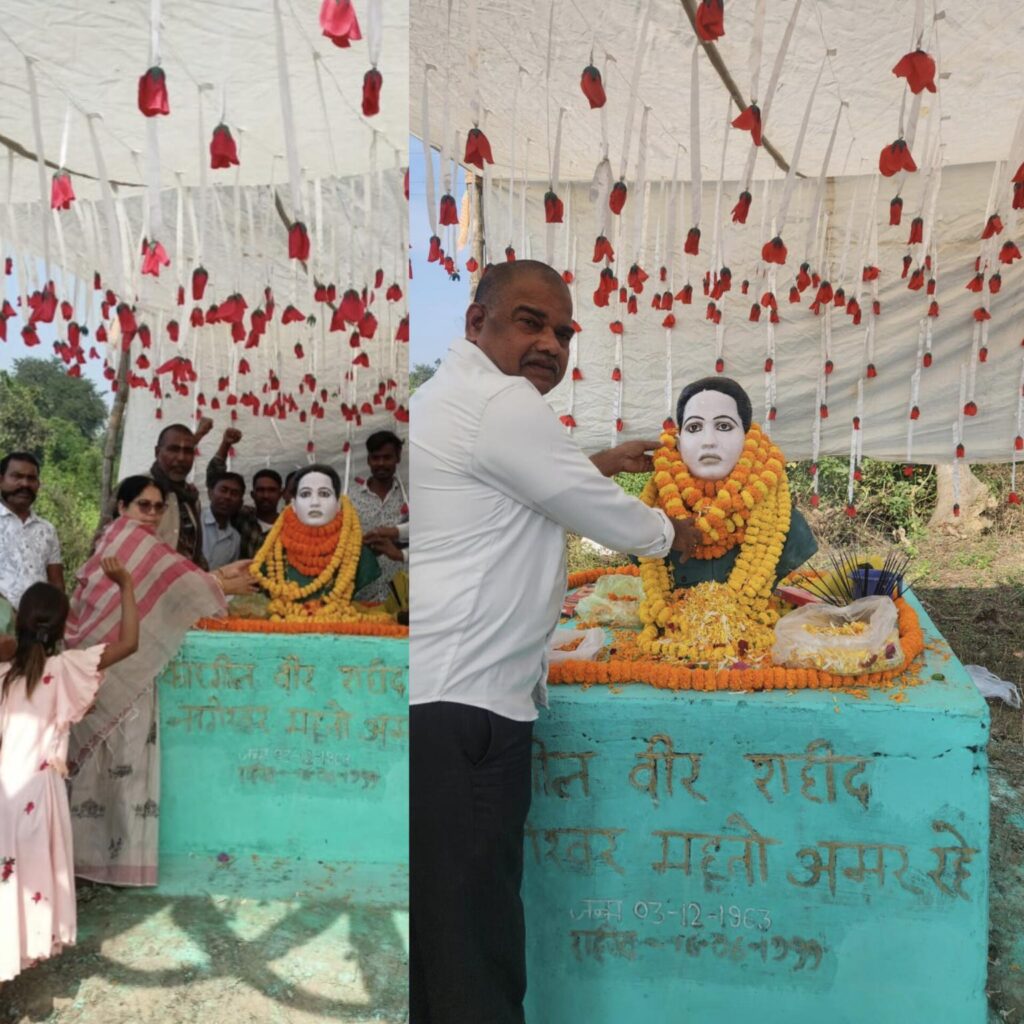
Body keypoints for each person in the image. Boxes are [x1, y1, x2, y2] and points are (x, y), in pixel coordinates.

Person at [409, 259, 700, 1024]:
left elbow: (532, 488)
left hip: (445, 698)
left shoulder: (453, 397)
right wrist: (679, 534)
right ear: (477, 324)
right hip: (467, 710)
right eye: (530, 322)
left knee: (448, 934)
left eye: (563, 331)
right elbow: (602, 514)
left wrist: (601, 462)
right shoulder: (501, 399)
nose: (550, 342)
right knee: (474, 944)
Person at [66, 476, 253, 887]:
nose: (150, 514)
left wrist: (217, 578)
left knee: (126, 765)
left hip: (132, 671)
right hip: (108, 668)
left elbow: (171, 585)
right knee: (104, 766)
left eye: (157, 507)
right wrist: (220, 582)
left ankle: (114, 864)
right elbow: (176, 584)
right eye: (142, 506)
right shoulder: (123, 542)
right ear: (122, 507)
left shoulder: (143, 545)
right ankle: (85, 862)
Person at [0, 557, 139, 983]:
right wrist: (126, 585)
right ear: (62, 629)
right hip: (40, 794)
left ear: (17, 623)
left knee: (7, 880)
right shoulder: (66, 670)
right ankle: (19, 955)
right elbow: (129, 642)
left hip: (5, 792)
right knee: (30, 875)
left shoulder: (4, 676)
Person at [662, 376, 816, 588]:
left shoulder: (789, 525)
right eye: (694, 427)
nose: (709, 441)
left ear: (748, 438)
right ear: (678, 443)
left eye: (724, 426)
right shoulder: (651, 519)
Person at [0, 452, 64, 634]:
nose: (25, 484)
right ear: (1, 479)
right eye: (16, 476)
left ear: (38, 485)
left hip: (37, 631)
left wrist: (56, 620)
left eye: (31, 478)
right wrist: (10, 615)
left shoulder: (47, 529)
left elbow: (56, 583)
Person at [205, 427, 284, 557]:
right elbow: (215, 479)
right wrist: (226, 444)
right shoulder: (241, 516)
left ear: (280, 494)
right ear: (252, 495)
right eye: (260, 490)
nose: (265, 495)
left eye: (271, 490)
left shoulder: (289, 526)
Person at [351, 431, 409, 603]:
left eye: (387, 457)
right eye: (376, 458)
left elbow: (428, 537)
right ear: (368, 460)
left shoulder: (411, 496)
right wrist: (362, 545)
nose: (381, 463)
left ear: (398, 458)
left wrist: (395, 539)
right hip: (363, 596)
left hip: (404, 597)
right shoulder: (350, 498)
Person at [150, 422, 209, 568]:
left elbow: (192, 549)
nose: (181, 458)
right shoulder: (135, 489)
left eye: (188, 451)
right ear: (157, 452)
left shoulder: (191, 497)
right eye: (173, 449)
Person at [202, 472, 245, 570]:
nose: (227, 497)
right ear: (210, 493)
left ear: (241, 502)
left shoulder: (235, 539)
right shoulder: (195, 520)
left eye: (234, 493)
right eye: (223, 490)